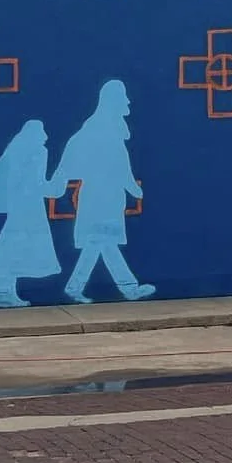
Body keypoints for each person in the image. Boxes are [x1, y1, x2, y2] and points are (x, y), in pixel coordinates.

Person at [51, 81, 153, 302]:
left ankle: (80, 287)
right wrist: (133, 188)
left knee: (100, 243)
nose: (128, 101)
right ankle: (126, 287)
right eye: (123, 97)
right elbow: (118, 164)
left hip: (107, 196)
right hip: (101, 196)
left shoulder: (106, 127)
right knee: (100, 242)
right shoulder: (102, 128)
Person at [0, 120, 58, 307]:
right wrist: (56, 186)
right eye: (42, 132)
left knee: (14, 248)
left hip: (19, 208)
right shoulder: (37, 153)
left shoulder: (15, 152)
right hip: (29, 210)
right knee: (15, 249)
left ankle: (5, 293)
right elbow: (35, 184)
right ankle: (4, 294)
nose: (45, 137)